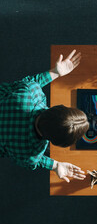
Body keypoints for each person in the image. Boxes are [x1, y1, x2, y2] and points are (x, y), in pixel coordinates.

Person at [0, 50, 88, 182]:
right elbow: (32, 160)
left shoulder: (30, 93)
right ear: (56, 142)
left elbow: (31, 82)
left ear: (57, 108)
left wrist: (55, 72)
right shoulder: (31, 154)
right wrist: (55, 165)